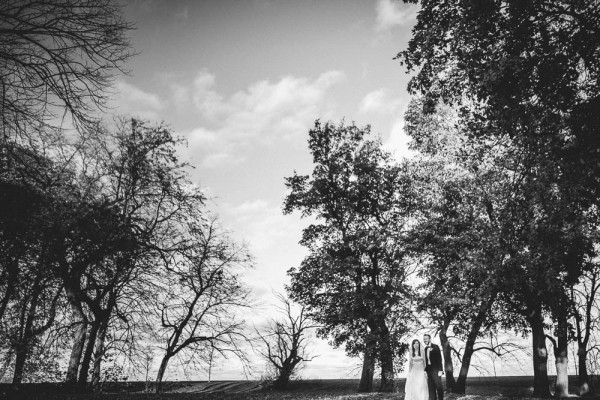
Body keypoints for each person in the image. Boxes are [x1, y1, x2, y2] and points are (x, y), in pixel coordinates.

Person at [423, 334, 444, 400]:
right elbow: (426, 361)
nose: (425, 340)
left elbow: (439, 359)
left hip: (436, 370)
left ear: (430, 339)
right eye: (424, 339)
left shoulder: (436, 347)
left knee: (439, 387)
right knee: (431, 388)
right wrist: (425, 370)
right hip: (429, 371)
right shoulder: (425, 348)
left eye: (426, 339)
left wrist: (440, 370)